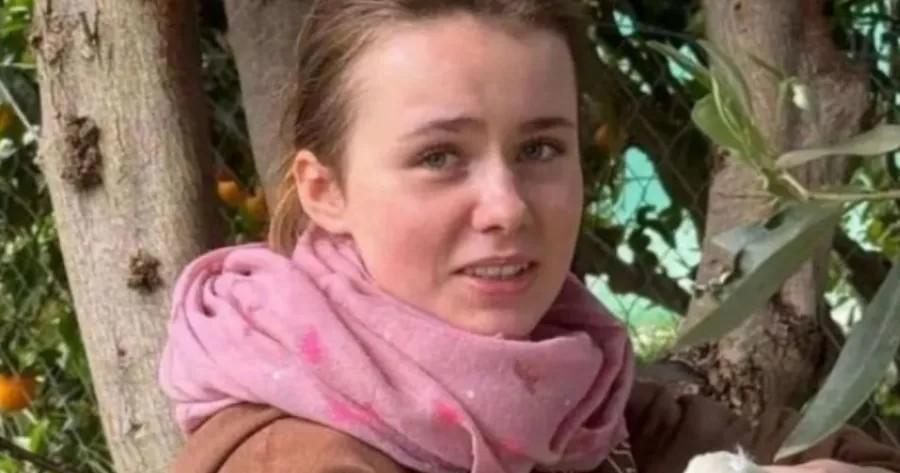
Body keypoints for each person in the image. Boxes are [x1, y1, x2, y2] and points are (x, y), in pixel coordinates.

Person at [157, 1, 900, 472]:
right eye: (439, 157)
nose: (507, 207)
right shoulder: (295, 456)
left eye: (540, 148)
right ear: (325, 190)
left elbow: (824, 450)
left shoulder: (563, 391)